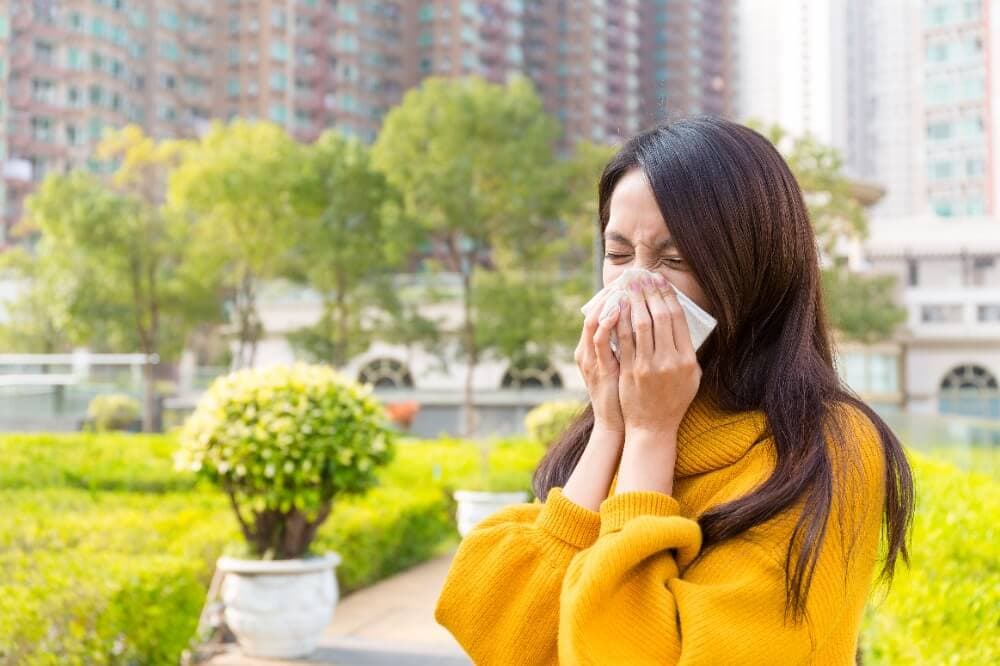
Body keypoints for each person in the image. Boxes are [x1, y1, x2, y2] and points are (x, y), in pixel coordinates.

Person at [433, 116, 914, 665]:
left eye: (675, 260)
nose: (636, 285)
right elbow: (508, 634)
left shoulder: (824, 445)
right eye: (618, 256)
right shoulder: (623, 417)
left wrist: (649, 435)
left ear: (752, 273)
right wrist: (611, 427)